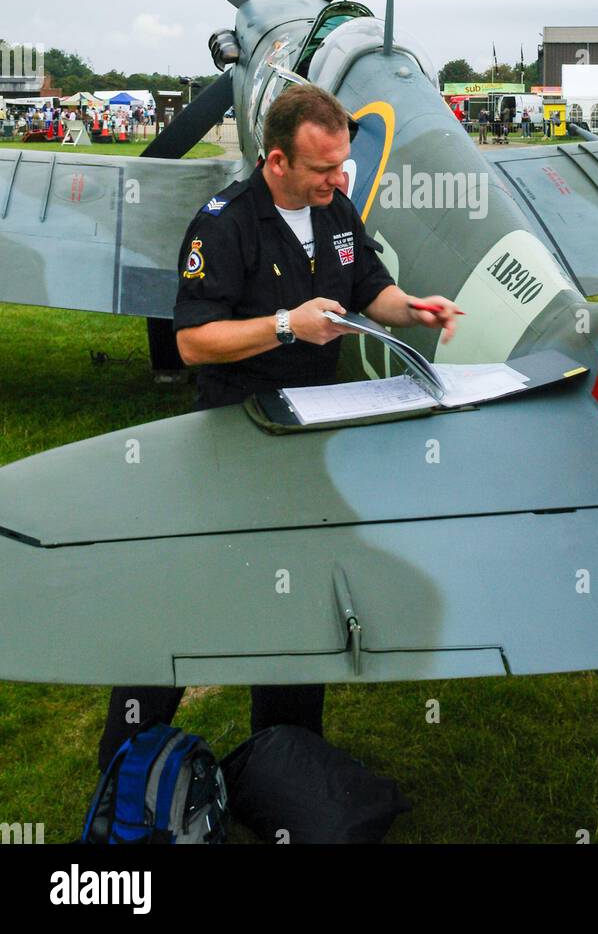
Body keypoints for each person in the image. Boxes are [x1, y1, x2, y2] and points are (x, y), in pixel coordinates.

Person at [96, 82, 462, 772]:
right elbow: (193, 343)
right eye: (322, 168)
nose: (337, 178)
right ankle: (127, 758)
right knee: (191, 589)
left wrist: (412, 309)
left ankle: (288, 758)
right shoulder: (224, 223)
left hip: (312, 434)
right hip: (235, 433)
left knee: (301, 595)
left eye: (341, 165)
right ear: (275, 161)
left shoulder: (335, 209)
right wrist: (287, 325)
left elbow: (367, 290)